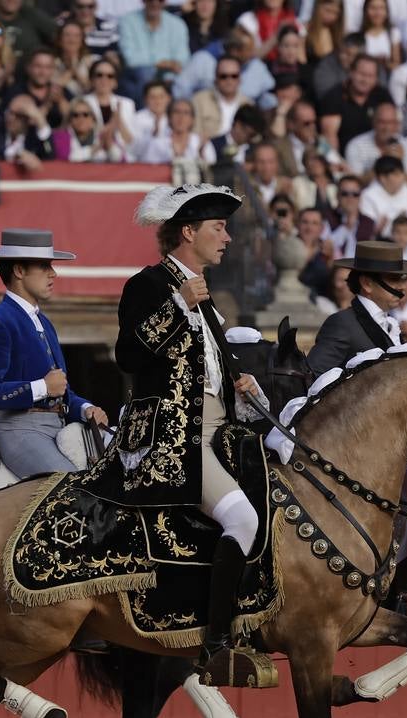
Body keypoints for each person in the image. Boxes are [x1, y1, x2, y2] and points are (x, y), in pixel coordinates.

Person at [112, 183, 268, 688]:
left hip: (217, 430)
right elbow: (129, 358)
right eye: (218, 228)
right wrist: (178, 304)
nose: (227, 238)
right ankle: (217, 645)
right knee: (243, 519)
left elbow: (209, 370)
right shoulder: (151, 285)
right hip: (174, 438)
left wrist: (240, 381)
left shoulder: (203, 295)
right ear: (188, 232)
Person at [0, 229, 106, 479]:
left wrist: (86, 408)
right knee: (72, 493)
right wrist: (41, 387)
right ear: (19, 271)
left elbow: (61, 392)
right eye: (44, 266)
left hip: (59, 429)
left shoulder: (45, 323)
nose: (53, 273)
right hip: (20, 433)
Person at [308, 240, 407, 373]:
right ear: (367, 283)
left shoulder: (390, 323)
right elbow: (312, 376)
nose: (401, 286)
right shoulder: (342, 324)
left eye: (400, 278)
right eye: (393, 278)